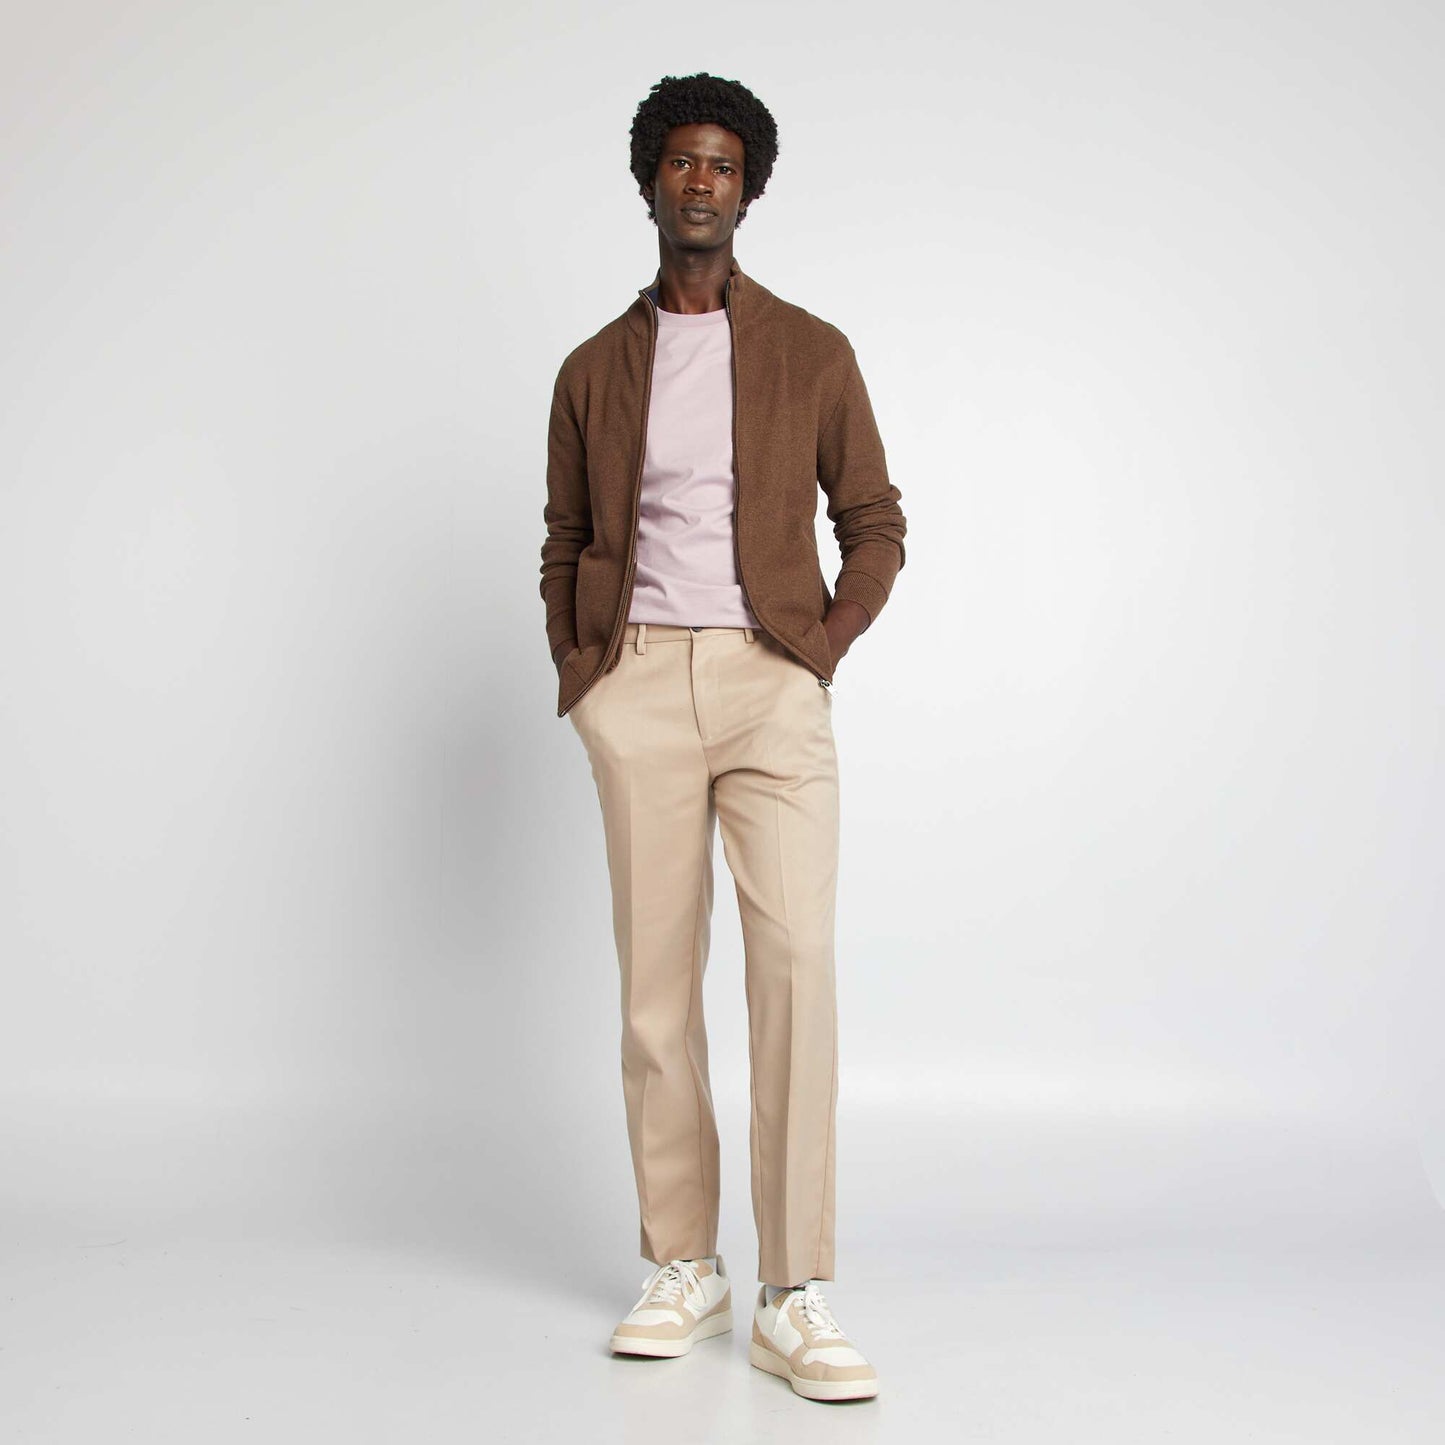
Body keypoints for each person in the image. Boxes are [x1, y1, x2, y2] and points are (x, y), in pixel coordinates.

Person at [538, 72, 905, 1404]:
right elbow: (565, 539)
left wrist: (821, 645)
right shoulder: (594, 368)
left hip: (769, 684)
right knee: (655, 987)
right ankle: (681, 1262)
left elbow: (874, 521)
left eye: (724, 165)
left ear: (749, 190)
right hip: (635, 680)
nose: (701, 182)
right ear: (651, 177)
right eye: (682, 161)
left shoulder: (810, 351)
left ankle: (791, 1290)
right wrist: (586, 674)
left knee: (795, 965)